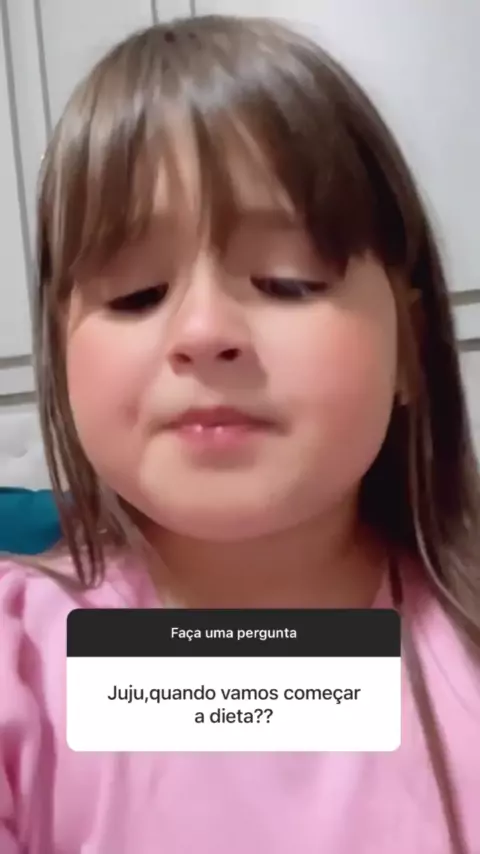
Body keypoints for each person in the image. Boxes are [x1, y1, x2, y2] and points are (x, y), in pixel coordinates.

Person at [0, 14, 479, 854]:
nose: (204, 332)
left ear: (410, 346)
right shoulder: (20, 669)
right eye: (136, 294)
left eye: (286, 282)